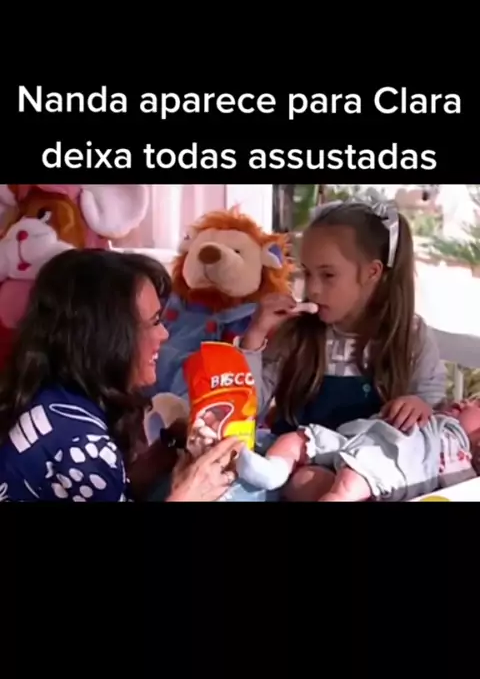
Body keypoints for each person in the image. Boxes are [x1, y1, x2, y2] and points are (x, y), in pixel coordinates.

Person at [231, 196, 446, 499]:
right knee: (301, 482)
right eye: (307, 273)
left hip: (365, 471)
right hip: (289, 463)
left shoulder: (409, 336)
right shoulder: (297, 333)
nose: (313, 288)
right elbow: (247, 406)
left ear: (372, 273)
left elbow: (434, 413)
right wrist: (256, 334)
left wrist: (419, 405)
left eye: (328, 275)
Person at [0, 249, 242, 502]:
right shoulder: (81, 441)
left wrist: (168, 447)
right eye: (154, 321)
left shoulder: (54, 397)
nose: (164, 334)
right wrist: (189, 496)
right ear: (108, 337)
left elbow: (104, 490)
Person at [234, 398, 480, 502]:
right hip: (354, 439)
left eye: (478, 405)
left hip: (379, 468)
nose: (467, 401)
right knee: (301, 438)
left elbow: (460, 491)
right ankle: (273, 470)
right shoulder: (433, 414)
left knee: (336, 484)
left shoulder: (458, 455)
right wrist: (411, 402)